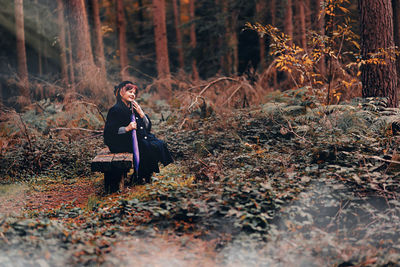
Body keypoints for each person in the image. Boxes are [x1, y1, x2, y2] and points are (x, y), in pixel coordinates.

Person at [104, 81, 173, 184]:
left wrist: (142, 114)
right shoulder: (115, 110)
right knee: (146, 146)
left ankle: (145, 174)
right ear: (120, 93)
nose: (133, 94)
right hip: (119, 142)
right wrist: (127, 128)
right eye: (129, 91)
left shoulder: (134, 108)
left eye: (134, 92)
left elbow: (146, 127)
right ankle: (140, 176)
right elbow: (109, 133)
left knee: (158, 144)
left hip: (135, 138)